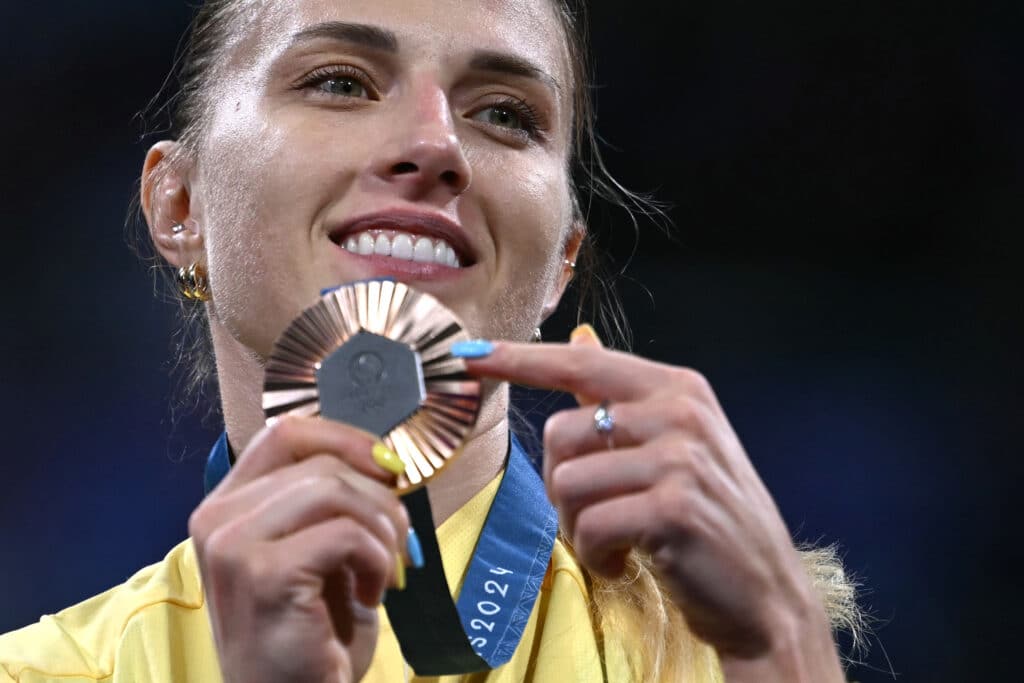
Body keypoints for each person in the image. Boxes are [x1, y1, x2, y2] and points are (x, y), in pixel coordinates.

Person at [0, 0, 862, 681]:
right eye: (340, 82)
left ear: (560, 265)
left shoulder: (730, 648)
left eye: (504, 113)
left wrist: (785, 647)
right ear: (179, 206)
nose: (434, 145)